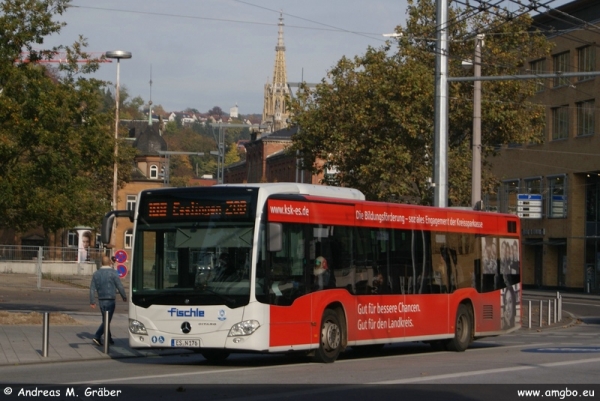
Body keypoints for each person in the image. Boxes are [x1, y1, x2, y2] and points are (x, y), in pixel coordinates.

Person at [90, 255, 127, 346]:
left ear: (101, 263)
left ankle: (108, 338)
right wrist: (124, 296)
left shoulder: (96, 273)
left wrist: (92, 301)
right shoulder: (114, 273)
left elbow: (92, 288)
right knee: (107, 320)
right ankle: (97, 336)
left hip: (101, 299)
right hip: (110, 299)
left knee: (105, 319)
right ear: (110, 262)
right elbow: (119, 285)